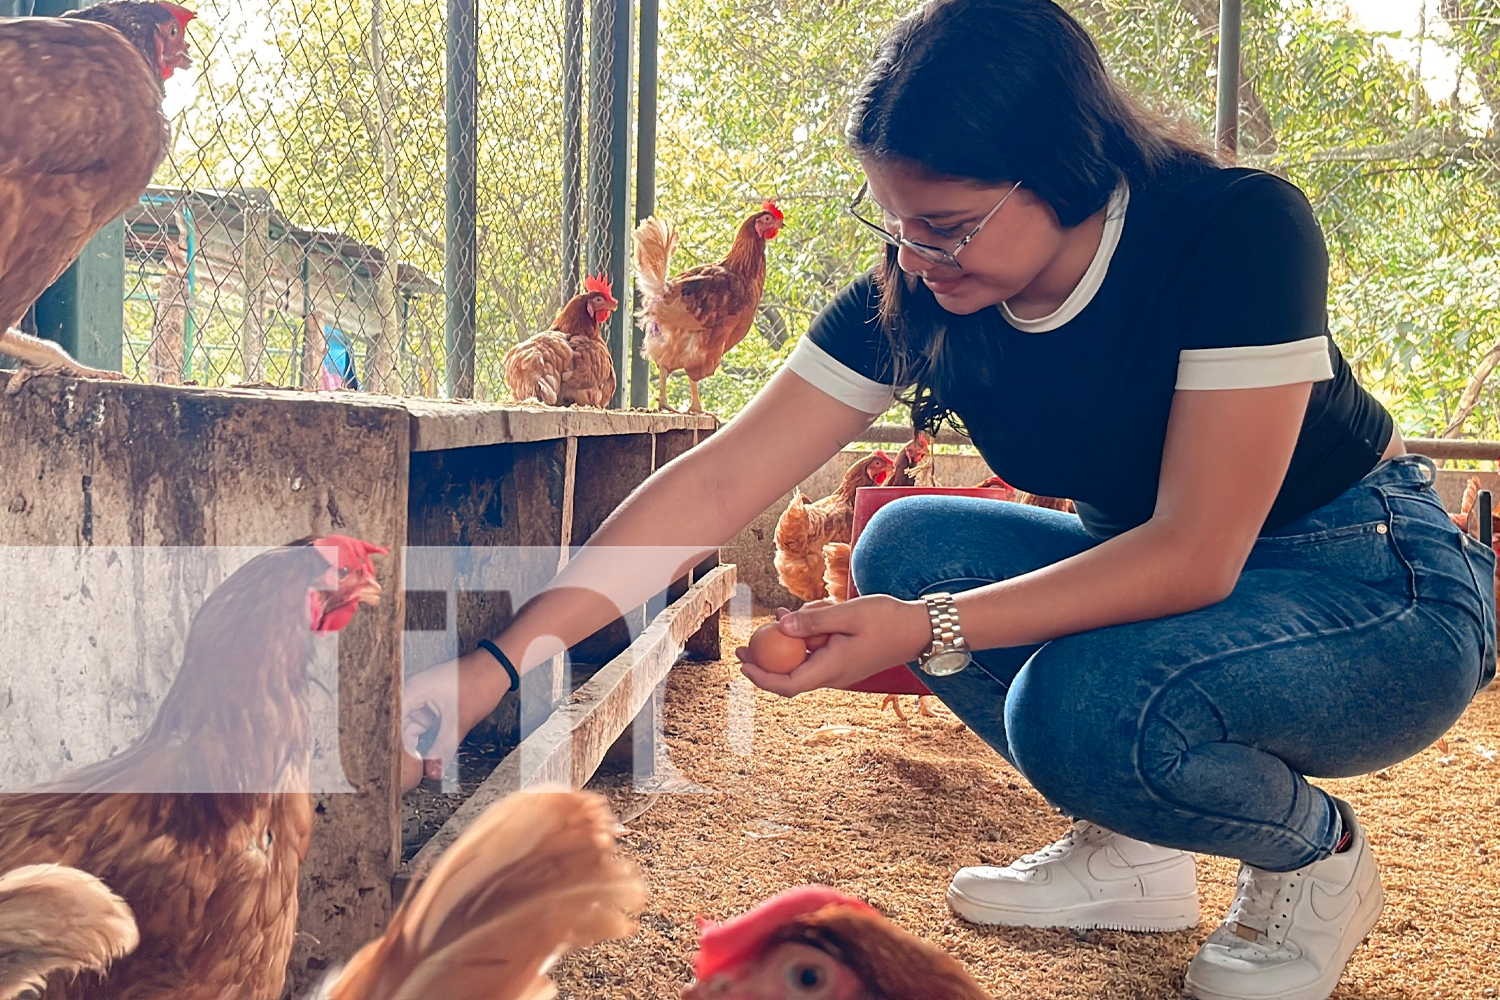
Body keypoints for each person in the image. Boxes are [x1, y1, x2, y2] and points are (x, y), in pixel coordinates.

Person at [400, 1, 1496, 996]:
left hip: (1368, 586)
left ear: (1063, 167)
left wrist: (928, 629)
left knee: (1070, 702)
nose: (918, 258)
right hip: (1159, 582)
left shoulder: (1232, 232)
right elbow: (720, 475)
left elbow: (1197, 552)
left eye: (949, 224)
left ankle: (1316, 853)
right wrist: (503, 661)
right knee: (904, 545)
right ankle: (1134, 846)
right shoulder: (923, 286)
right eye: (898, 224)